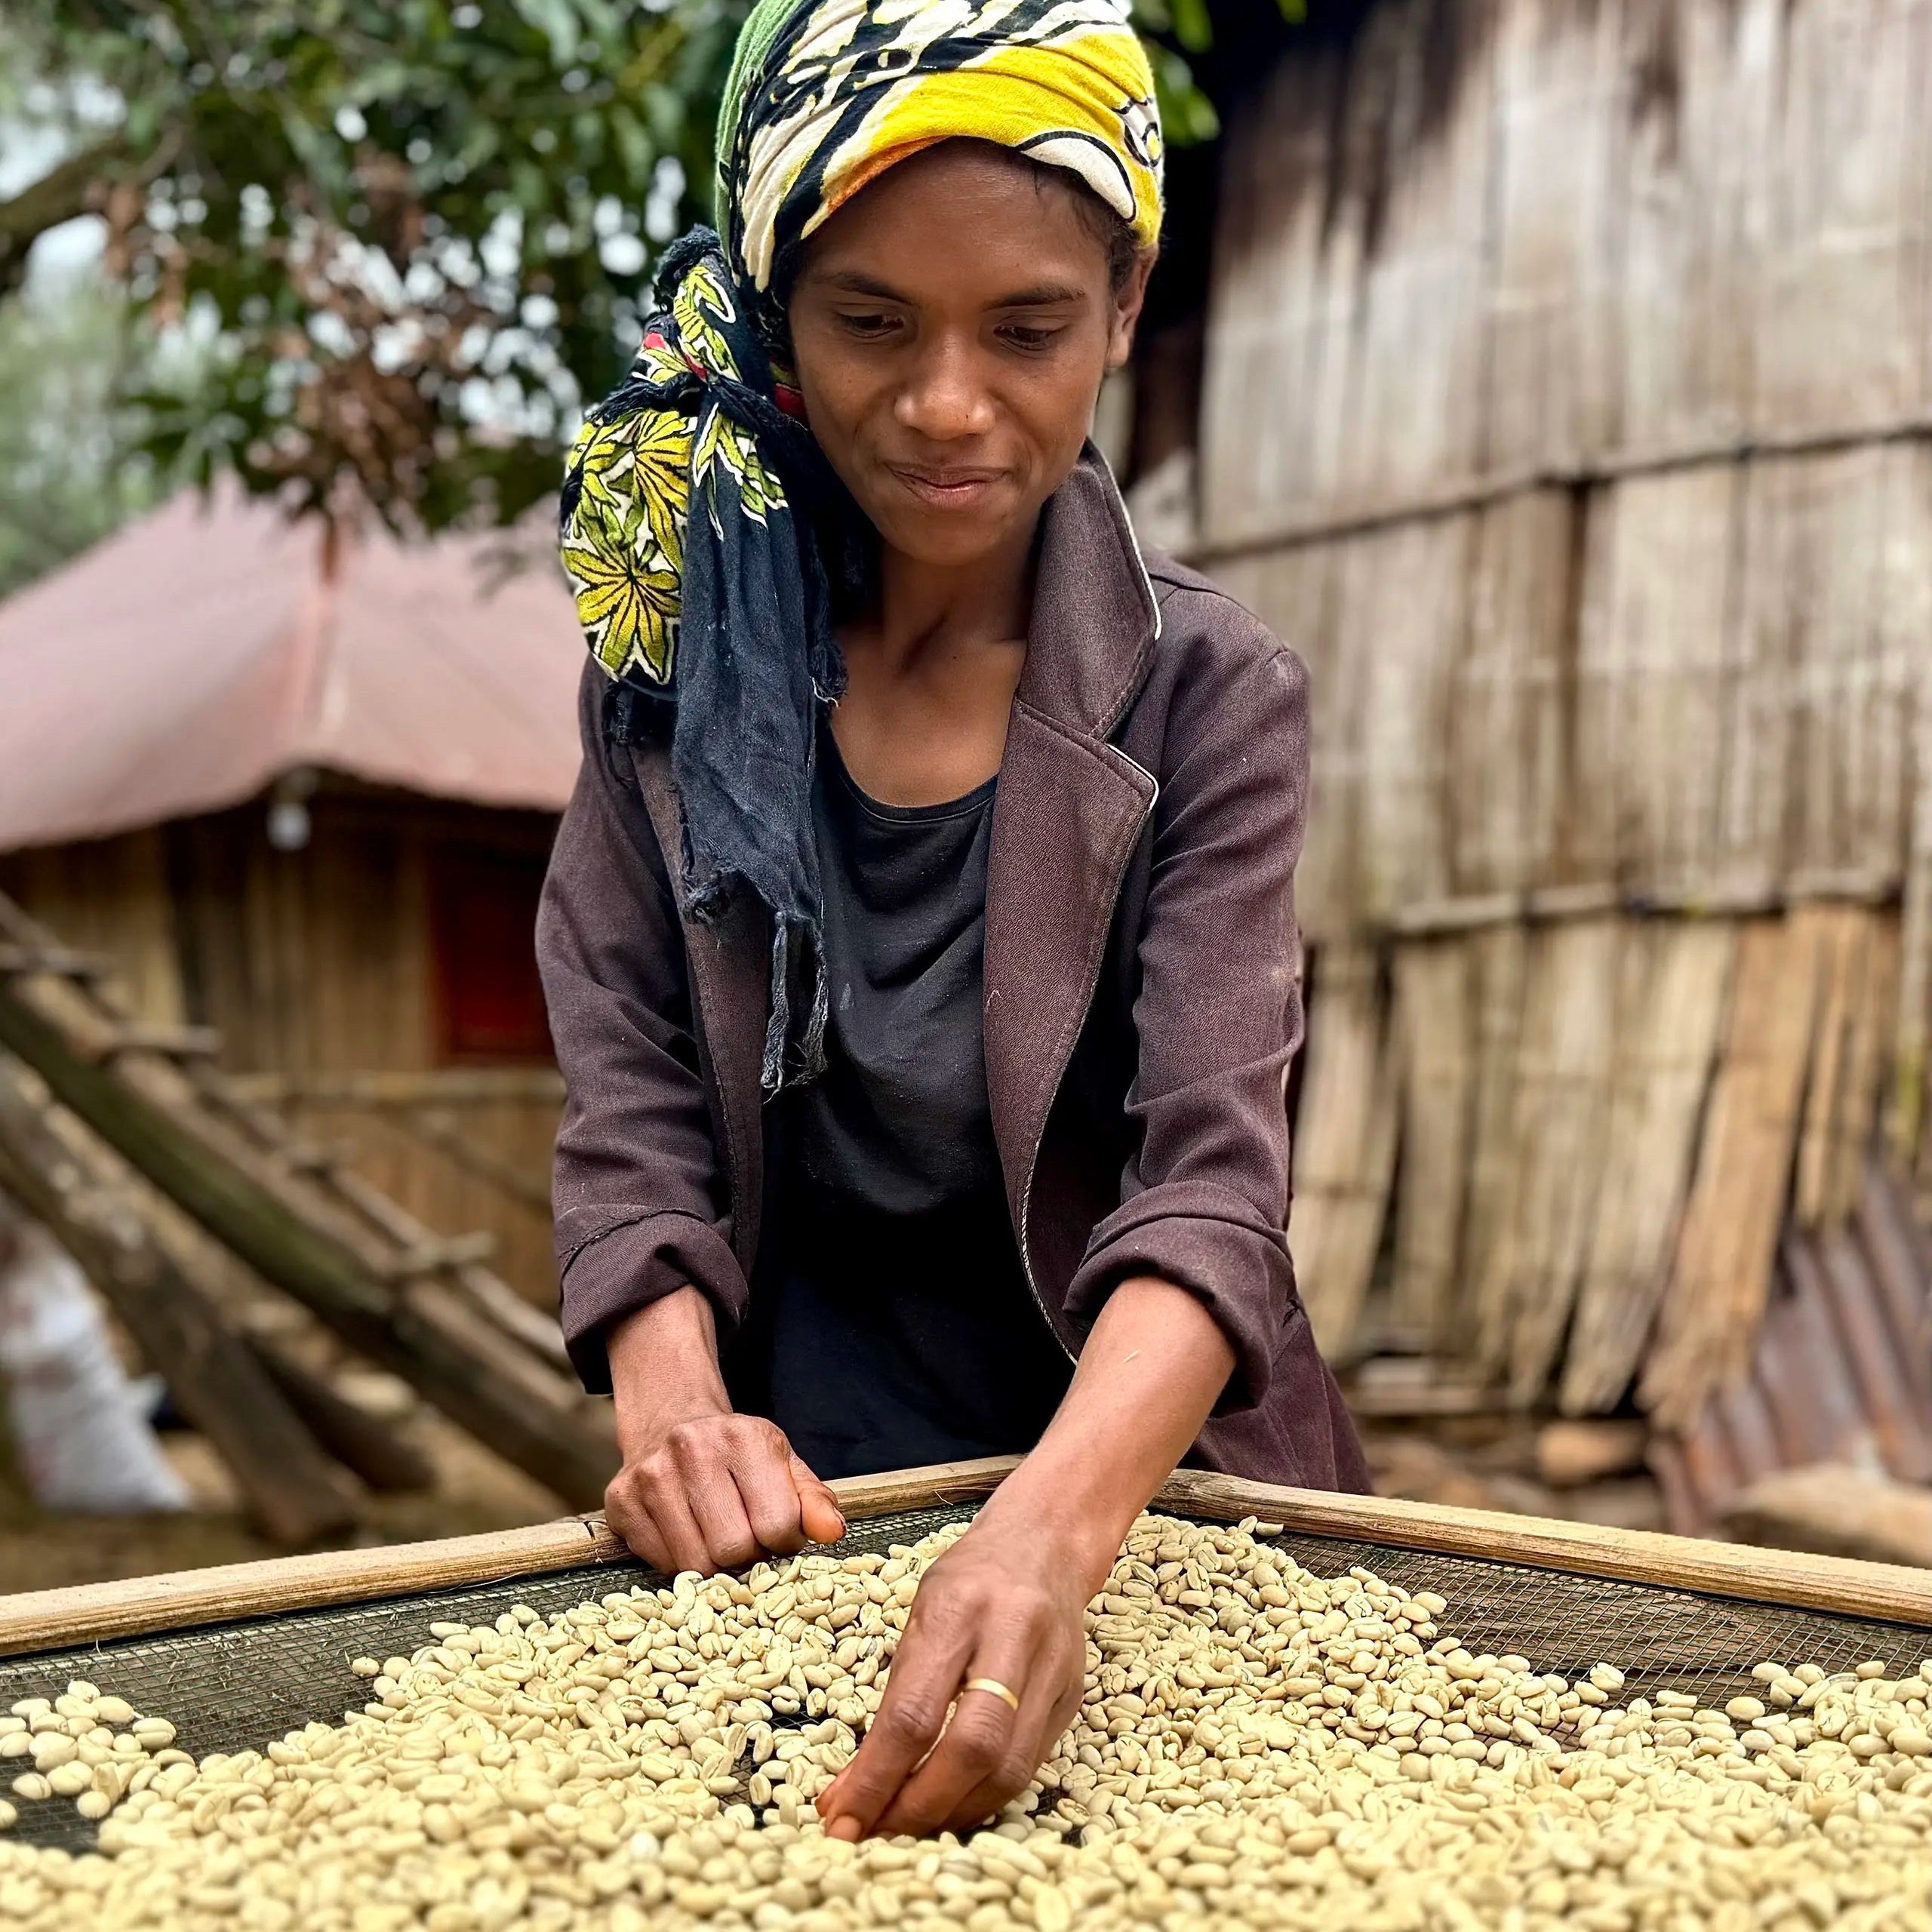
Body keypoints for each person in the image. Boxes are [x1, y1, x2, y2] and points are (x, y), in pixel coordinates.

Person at [538, 0, 1369, 1843]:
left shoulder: (1205, 692)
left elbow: (1208, 1181)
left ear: (1125, 304)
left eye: (1026, 328)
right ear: (774, 307)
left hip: (1142, 1502)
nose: (943, 403)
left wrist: (1042, 1545)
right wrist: (674, 1406)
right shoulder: (669, 672)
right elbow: (628, 1110)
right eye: (869, 323)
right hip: (796, 1517)